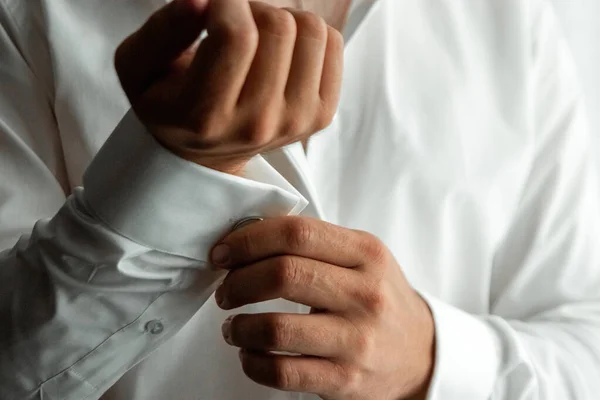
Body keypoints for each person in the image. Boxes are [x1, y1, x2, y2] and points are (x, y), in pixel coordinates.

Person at [1, 0, 599, 399]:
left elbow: (584, 346)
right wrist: (169, 173)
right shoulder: (25, 17)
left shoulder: (513, 21)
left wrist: (431, 360)